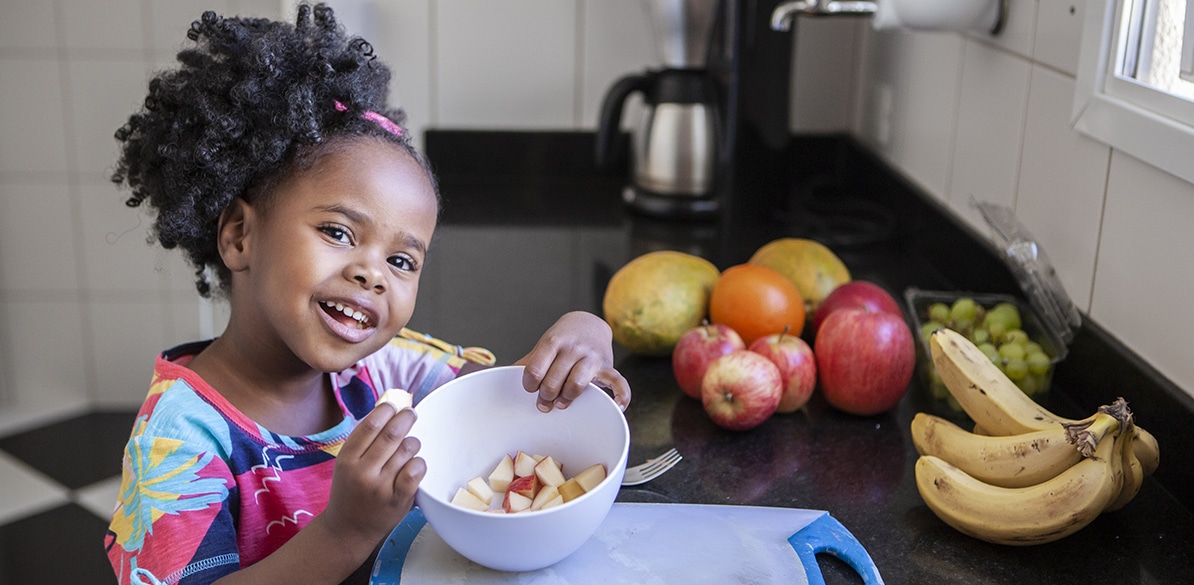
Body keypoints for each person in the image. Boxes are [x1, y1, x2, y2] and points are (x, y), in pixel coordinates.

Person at [103, 4, 631, 584]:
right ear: (239, 235)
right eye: (337, 232)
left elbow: (498, 407)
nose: (373, 273)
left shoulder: (385, 371)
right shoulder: (181, 440)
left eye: (401, 260)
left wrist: (582, 340)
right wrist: (344, 532)